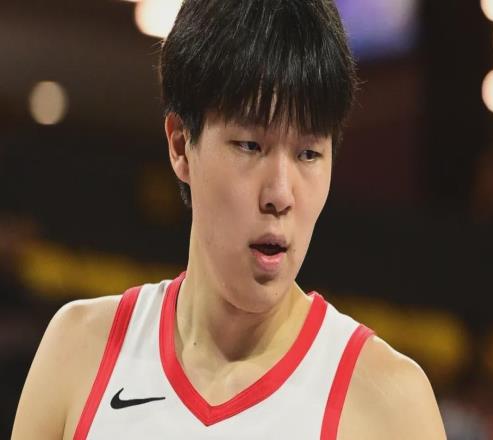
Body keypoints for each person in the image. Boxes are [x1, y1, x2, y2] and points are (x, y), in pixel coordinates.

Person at [12, 0, 447, 438]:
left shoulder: (388, 405)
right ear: (181, 145)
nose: (281, 194)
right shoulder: (80, 351)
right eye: (250, 146)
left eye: (308, 153)